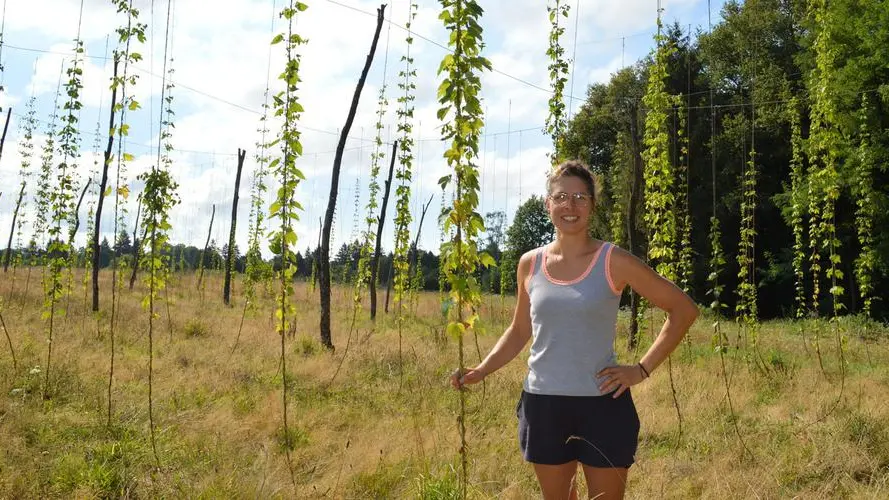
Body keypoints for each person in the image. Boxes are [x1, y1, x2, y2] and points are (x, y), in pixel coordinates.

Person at [451, 160, 699, 500]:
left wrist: (641, 369)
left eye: (581, 197)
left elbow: (683, 310)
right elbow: (520, 330)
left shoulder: (614, 261)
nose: (571, 205)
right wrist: (481, 370)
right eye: (562, 196)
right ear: (548, 203)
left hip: (603, 405)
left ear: (593, 206)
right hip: (543, 405)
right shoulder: (530, 264)